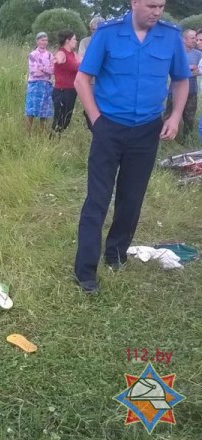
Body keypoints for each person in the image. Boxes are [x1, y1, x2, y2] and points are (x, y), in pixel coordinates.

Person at [73, 0, 189, 293]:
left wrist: (174, 116)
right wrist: (96, 120)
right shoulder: (108, 33)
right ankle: (86, 271)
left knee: (131, 198)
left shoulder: (171, 36)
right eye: (151, 5)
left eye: (161, 6)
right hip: (109, 127)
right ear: (134, 2)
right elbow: (82, 80)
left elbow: (181, 80)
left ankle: (115, 255)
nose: (157, 11)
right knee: (97, 200)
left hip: (147, 130)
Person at [164, 29, 202, 143]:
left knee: (189, 119)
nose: (195, 41)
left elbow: (199, 71)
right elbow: (168, 70)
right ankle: (167, 140)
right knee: (169, 116)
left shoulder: (199, 54)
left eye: (196, 38)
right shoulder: (175, 53)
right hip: (174, 91)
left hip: (192, 91)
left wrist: (194, 70)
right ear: (184, 39)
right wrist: (188, 68)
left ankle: (187, 141)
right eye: (192, 38)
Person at [51, 30, 81, 136]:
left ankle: (58, 139)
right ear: (68, 41)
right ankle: (52, 141)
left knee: (67, 119)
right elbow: (57, 59)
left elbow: (83, 61)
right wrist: (56, 60)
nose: (76, 41)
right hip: (62, 91)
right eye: (74, 39)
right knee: (60, 118)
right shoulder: (61, 53)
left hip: (71, 91)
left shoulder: (73, 54)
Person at [25, 32, 55, 133]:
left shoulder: (50, 55)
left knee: (45, 111)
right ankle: (27, 133)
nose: (44, 42)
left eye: (46, 40)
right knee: (31, 109)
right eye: (42, 40)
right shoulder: (32, 55)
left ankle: (42, 134)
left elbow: (53, 70)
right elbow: (34, 71)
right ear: (37, 41)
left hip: (46, 85)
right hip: (34, 84)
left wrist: (41, 68)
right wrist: (46, 69)